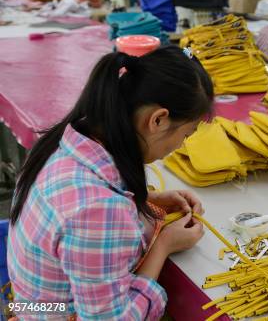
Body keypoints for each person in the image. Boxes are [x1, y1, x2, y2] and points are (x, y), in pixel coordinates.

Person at [8, 46, 214, 319]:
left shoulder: (68, 138)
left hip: (27, 305)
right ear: (158, 119)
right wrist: (164, 244)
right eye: (187, 134)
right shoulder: (99, 209)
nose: (182, 144)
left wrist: (145, 200)